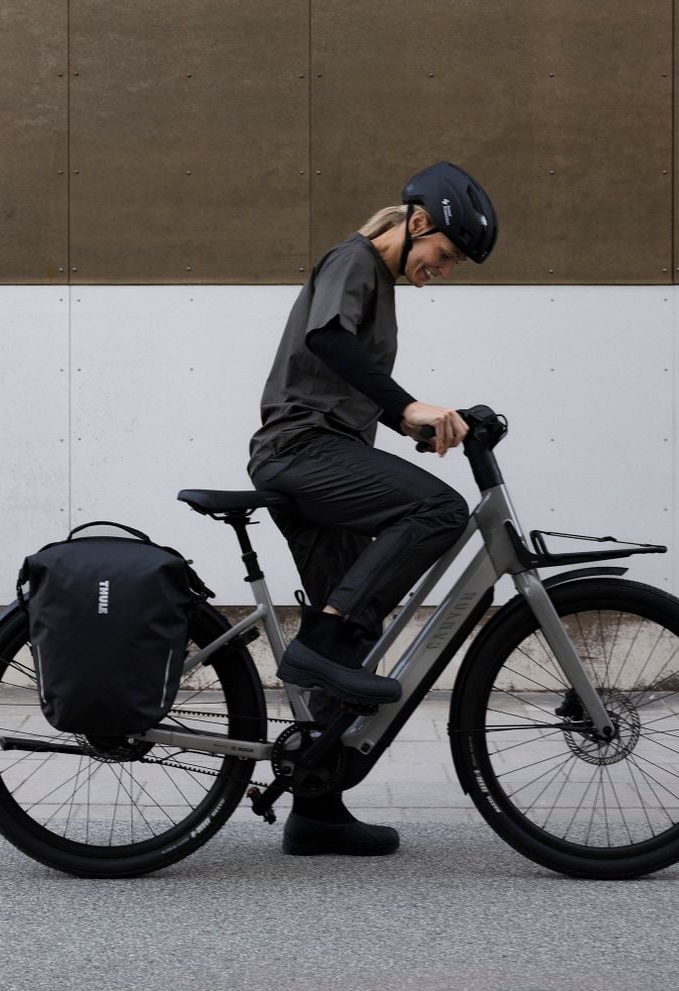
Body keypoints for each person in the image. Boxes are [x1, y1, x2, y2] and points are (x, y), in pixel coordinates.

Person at [247, 161, 498, 856]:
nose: (441, 271)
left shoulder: (379, 286)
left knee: (352, 617)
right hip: (300, 449)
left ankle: (316, 808)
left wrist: (414, 424)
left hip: (322, 448)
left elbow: (350, 380)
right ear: (415, 224)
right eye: (442, 256)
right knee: (439, 511)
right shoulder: (353, 259)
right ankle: (317, 647)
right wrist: (406, 404)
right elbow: (327, 340)